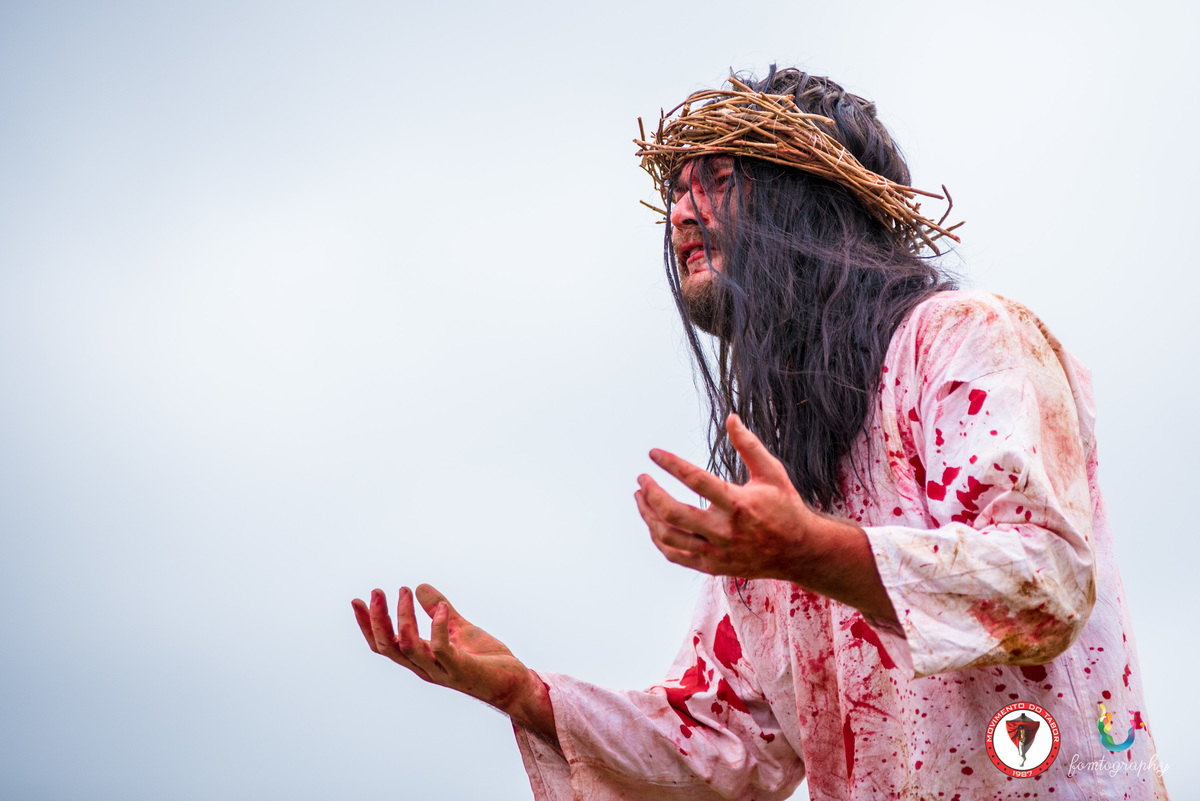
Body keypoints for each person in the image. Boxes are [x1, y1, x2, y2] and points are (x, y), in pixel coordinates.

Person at [351, 67, 1168, 800]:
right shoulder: (783, 475)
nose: (681, 212)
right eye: (676, 190)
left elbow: (1042, 574)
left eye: (718, 179)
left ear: (809, 204)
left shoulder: (963, 337)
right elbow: (726, 742)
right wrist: (528, 694)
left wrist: (811, 551)